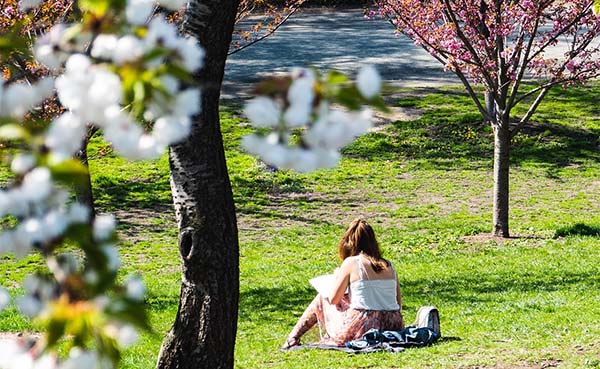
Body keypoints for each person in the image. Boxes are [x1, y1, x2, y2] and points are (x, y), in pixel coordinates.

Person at [282, 217, 404, 349]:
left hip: (362, 328)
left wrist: (337, 278)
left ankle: (293, 337)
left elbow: (334, 299)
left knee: (322, 297)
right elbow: (398, 303)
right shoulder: (389, 265)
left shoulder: (352, 262)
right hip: (393, 326)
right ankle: (292, 338)